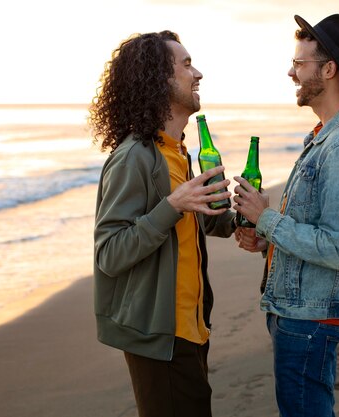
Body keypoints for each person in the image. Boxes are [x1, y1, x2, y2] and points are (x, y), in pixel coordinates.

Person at [233, 14, 339, 417]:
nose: (290, 71)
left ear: (328, 70)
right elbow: (317, 228)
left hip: (311, 317)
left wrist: (266, 220)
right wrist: (267, 239)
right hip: (299, 310)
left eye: (299, 64)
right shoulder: (324, 135)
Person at [90, 30, 237, 417]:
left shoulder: (177, 151)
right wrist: (172, 205)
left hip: (192, 328)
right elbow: (110, 253)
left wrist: (243, 219)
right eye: (186, 65)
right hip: (159, 336)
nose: (198, 73)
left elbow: (194, 224)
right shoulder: (134, 157)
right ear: (158, 78)